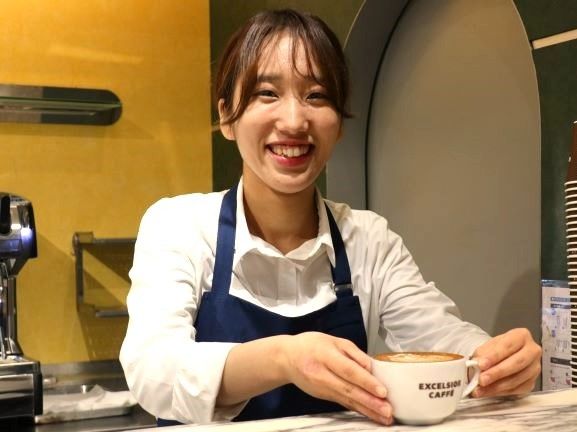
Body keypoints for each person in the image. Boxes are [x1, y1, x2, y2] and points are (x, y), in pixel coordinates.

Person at [119, 8, 541, 427]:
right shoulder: (179, 226)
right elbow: (154, 370)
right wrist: (284, 358)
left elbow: (441, 337)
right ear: (227, 116)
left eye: (316, 96)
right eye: (267, 93)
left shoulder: (368, 239)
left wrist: (496, 361)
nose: (294, 120)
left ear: (339, 125)